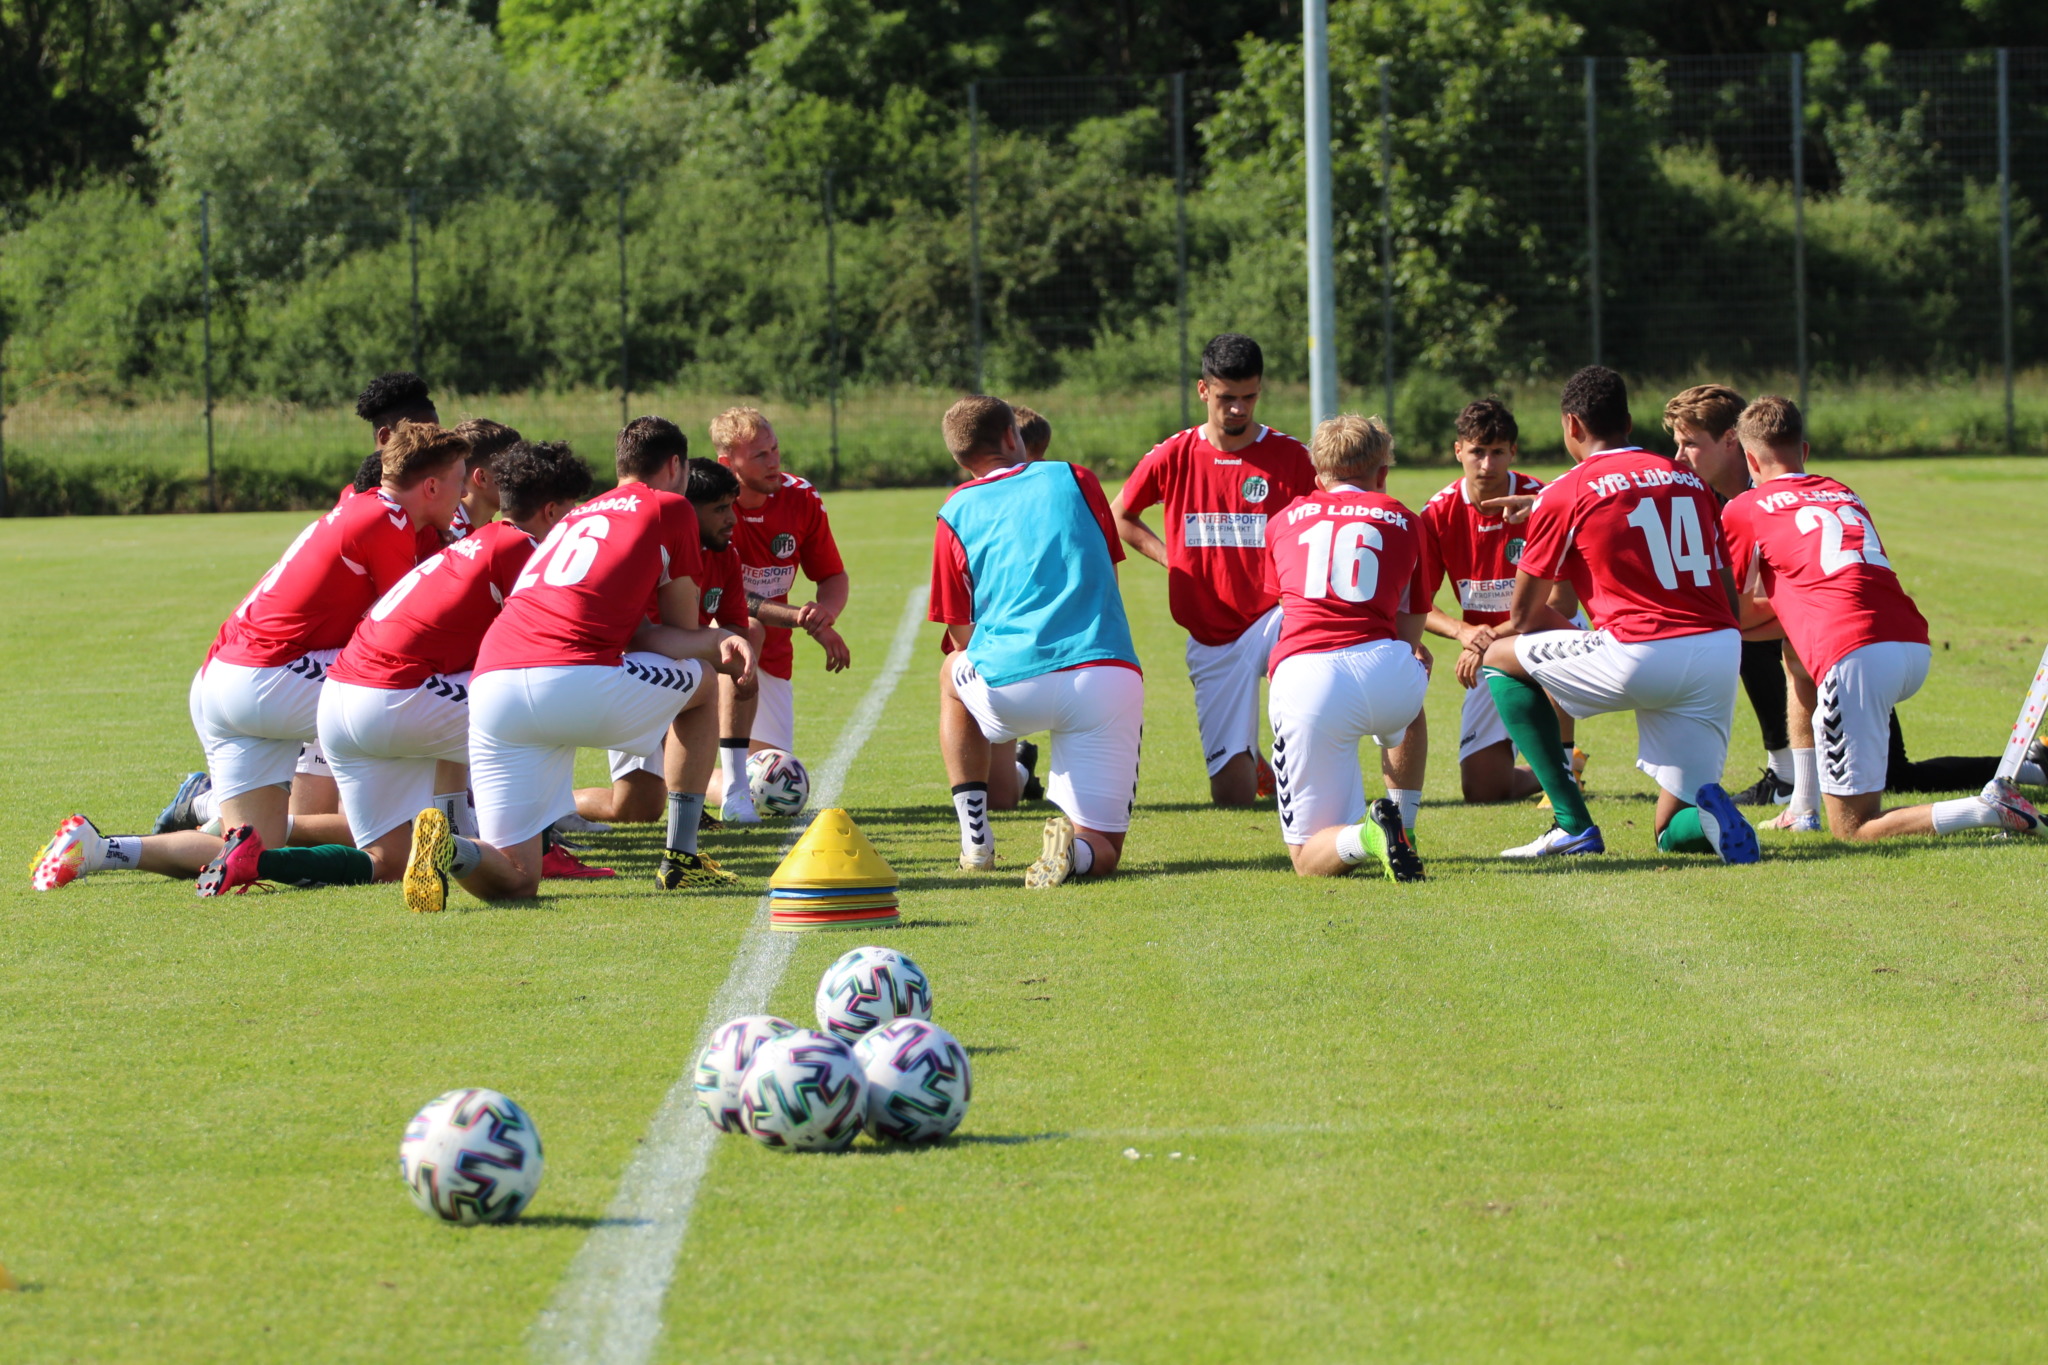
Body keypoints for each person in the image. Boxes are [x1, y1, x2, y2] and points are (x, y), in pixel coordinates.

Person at [31, 422, 468, 892]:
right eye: (460, 481)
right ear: (430, 486)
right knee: (409, 700)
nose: (463, 493)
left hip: (225, 680)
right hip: (267, 676)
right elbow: (407, 627)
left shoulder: (369, 510)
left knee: (253, 846)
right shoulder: (386, 521)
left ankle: (99, 849)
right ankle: (465, 835)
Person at [399, 417, 755, 909]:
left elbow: (637, 631)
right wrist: (717, 646)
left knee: (520, 879)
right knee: (703, 688)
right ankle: (682, 860)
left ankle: (450, 848)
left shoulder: (575, 516)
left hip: (492, 686)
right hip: (570, 677)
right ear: (676, 466)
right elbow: (670, 635)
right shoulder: (670, 506)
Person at [245, 441, 599, 893]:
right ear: (551, 512)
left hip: (338, 703)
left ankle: (258, 861)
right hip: (392, 699)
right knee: (536, 708)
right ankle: (516, 847)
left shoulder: (479, 542)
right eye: (572, 512)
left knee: (387, 861)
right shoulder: (523, 550)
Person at [1467, 366, 1759, 863]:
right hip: (1717, 649)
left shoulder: (1566, 490)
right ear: (1627, 419)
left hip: (1642, 652)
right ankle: (1713, 818)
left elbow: (1523, 613)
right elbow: (1725, 589)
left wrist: (1546, 641)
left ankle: (1570, 824)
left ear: (1572, 426)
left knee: (1500, 656)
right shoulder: (1686, 479)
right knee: (1670, 829)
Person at [1720, 396, 2040, 841]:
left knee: (1854, 828)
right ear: (1805, 452)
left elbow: (1727, 609)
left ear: (1750, 459)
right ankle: (1800, 807)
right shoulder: (1843, 490)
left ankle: (1986, 806)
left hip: (1855, 658)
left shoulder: (1743, 507)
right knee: (1796, 655)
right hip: (1910, 643)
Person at [932, 396, 1142, 887]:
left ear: (960, 460)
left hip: (1010, 687)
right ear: (1013, 437)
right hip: (1104, 675)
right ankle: (1076, 853)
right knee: (1105, 849)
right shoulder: (1077, 477)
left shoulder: (954, 509)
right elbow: (1108, 574)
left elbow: (961, 631)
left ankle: (975, 841)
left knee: (952, 673)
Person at [1111, 333, 1316, 806]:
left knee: (1308, 695)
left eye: (1249, 397)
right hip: (1210, 630)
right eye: (1227, 398)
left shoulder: (1291, 458)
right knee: (1231, 797)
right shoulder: (1174, 454)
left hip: (1277, 615)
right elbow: (1121, 514)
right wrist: (1173, 559)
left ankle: (1299, 766)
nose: (1239, 409)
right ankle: (1250, 761)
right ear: (1204, 391)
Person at [1264, 414, 1430, 880]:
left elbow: (1285, 599)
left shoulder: (1281, 522)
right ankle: (1405, 827)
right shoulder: (1406, 518)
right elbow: (1411, 626)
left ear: (1318, 477)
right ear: (1383, 473)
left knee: (1308, 860)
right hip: (1385, 672)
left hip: (1309, 679)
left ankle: (1371, 835)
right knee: (1411, 687)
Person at [1409, 397, 1584, 810]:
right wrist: (1465, 632)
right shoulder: (1436, 515)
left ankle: (1563, 769)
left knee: (1555, 640)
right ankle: (1562, 767)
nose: (1487, 465)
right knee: (1483, 790)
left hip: (1545, 629)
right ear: (1458, 451)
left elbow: (1562, 599)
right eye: (1477, 453)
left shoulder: (1542, 501)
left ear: (1513, 452)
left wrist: (1488, 639)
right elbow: (1419, 602)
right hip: (1488, 647)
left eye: (1497, 453)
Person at [575, 455, 768, 828]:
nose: (732, 519)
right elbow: (640, 645)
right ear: (685, 511)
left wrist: (742, 667)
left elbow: (734, 627)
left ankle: (729, 792)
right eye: (720, 509)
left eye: (733, 507)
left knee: (640, 810)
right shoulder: (650, 556)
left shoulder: (725, 556)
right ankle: (554, 806)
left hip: (678, 681)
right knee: (633, 811)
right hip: (629, 679)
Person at [708, 406, 850, 816]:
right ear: (727, 463)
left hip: (773, 655)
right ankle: (718, 785)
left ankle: (684, 775)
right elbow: (727, 602)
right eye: (760, 456)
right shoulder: (710, 507)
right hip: (708, 648)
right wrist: (800, 619)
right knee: (746, 628)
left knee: (772, 781)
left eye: (774, 450)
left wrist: (824, 616)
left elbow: (833, 576)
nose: (774, 462)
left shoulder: (801, 497)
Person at [1664, 383, 1799, 807]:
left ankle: (1787, 775)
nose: (1678, 458)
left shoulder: (1766, 498)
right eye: (1677, 443)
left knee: (1732, 630)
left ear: (1731, 440)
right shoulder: (1705, 497)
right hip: (1818, 646)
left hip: (1832, 651)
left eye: (1690, 444)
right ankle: (1786, 771)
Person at [948, 403, 1050, 814]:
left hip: (1052, 656)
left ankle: (975, 839)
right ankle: (1022, 769)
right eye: (1033, 458)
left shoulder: (1057, 497)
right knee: (1002, 798)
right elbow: (960, 622)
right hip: (996, 651)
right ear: (1013, 444)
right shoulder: (965, 509)